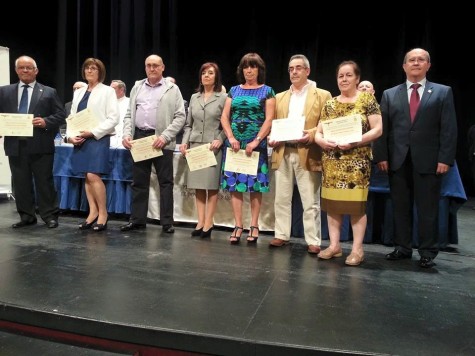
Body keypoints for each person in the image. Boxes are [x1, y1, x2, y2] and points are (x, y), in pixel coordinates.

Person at [373, 48, 458, 268]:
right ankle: (402, 247)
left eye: (421, 60)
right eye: (412, 60)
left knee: (427, 208)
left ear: (428, 65)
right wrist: (381, 156)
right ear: (404, 66)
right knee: (400, 207)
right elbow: (383, 129)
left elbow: (449, 129)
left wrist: (445, 159)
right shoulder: (390, 94)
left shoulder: (442, 92)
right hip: (397, 160)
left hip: (429, 161)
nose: (416, 63)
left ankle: (428, 251)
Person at [314, 60, 382, 266]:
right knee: (332, 206)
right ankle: (334, 246)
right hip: (332, 163)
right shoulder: (330, 103)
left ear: (357, 78)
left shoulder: (367, 101)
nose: (344, 79)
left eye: (348, 75)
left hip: (357, 164)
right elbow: (318, 132)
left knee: (355, 207)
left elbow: (377, 129)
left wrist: (355, 140)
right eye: (340, 76)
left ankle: (357, 250)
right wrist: (322, 141)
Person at [268, 54, 331, 254]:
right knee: (281, 198)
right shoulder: (279, 97)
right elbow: (273, 125)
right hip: (283, 150)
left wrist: (311, 135)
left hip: (308, 151)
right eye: (291, 69)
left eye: (298, 68)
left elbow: (325, 123)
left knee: (310, 200)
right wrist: (272, 137)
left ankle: (313, 240)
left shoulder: (322, 95)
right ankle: (281, 235)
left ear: (307, 71)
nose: (294, 72)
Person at [120, 54, 186, 233]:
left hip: (161, 141)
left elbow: (180, 116)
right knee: (139, 182)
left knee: (165, 182)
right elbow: (128, 115)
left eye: (155, 65)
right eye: (148, 65)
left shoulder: (172, 89)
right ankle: (137, 220)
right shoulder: (137, 87)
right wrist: (127, 134)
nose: (152, 68)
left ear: (163, 67)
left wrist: (164, 137)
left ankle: (166, 222)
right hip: (140, 138)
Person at [0, 55, 66, 228]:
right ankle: (26, 216)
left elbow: (61, 115)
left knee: (44, 182)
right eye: (21, 67)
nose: (25, 70)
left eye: (29, 67)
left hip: (41, 145)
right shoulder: (4, 91)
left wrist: (46, 122)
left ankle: (49, 215)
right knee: (20, 183)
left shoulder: (49, 92)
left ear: (36, 71)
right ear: (16, 70)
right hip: (15, 145)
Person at [220, 52, 276, 244]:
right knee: (235, 186)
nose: (249, 70)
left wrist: (256, 140)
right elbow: (225, 117)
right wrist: (231, 137)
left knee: (254, 187)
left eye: (253, 67)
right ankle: (238, 225)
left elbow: (269, 119)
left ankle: (254, 225)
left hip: (256, 146)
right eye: (245, 67)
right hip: (235, 145)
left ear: (259, 70)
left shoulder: (268, 91)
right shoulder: (234, 90)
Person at [68, 58, 120, 231]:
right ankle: (92, 213)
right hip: (81, 138)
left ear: (100, 72)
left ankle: (103, 214)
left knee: (93, 175)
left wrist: (94, 132)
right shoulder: (79, 92)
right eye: (87, 68)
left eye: (93, 69)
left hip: (97, 138)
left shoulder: (107, 91)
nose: (89, 71)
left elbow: (113, 118)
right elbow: (72, 117)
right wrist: (70, 136)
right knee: (87, 176)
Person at [179, 62, 227, 238]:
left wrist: (220, 140)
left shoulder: (223, 97)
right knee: (198, 186)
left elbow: (227, 125)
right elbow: (188, 124)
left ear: (216, 77)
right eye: (204, 73)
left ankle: (209, 222)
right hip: (196, 146)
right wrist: (184, 142)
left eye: (211, 73)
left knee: (211, 187)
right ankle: (200, 221)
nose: (207, 75)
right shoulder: (194, 97)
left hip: (212, 147)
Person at [109, 79, 130, 147]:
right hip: (110, 139)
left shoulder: (130, 102)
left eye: (113, 89)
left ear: (121, 90)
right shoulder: (107, 104)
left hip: (125, 139)